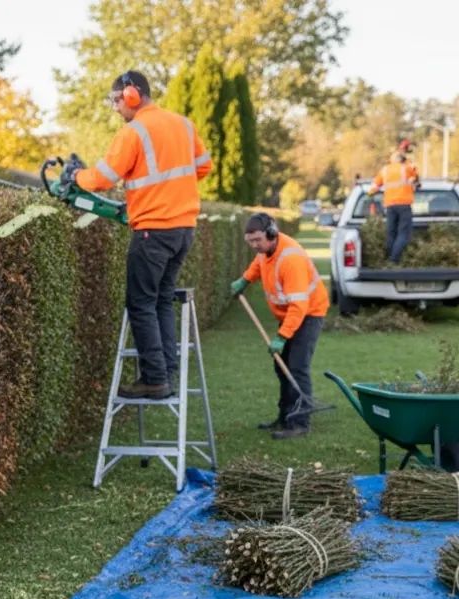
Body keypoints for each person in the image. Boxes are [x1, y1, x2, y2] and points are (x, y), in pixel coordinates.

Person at [71, 70, 213, 400]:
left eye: (117, 100)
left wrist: (76, 176)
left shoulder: (133, 132)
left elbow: (102, 178)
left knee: (141, 303)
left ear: (132, 95)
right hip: (183, 230)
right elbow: (203, 167)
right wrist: (169, 191)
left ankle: (154, 378)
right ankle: (166, 371)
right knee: (162, 299)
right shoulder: (184, 124)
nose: (116, 107)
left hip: (153, 231)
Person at [229, 213, 329, 440]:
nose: (255, 246)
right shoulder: (266, 251)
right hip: (290, 314)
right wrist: (245, 280)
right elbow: (259, 264)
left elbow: (299, 307)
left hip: (309, 313)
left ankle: (300, 423)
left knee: (297, 367)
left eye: (258, 240)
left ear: (271, 234)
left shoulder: (291, 260)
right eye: (250, 241)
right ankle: (285, 416)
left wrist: (282, 337)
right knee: (281, 365)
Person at [368, 150, 420, 263]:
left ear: (392, 160)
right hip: (404, 204)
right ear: (402, 159)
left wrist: (369, 193)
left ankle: (389, 259)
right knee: (404, 234)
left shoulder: (385, 170)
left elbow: (375, 185)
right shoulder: (405, 168)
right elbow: (415, 176)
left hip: (390, 205)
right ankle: (393, 259)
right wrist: (410, 163)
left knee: (391, 233)